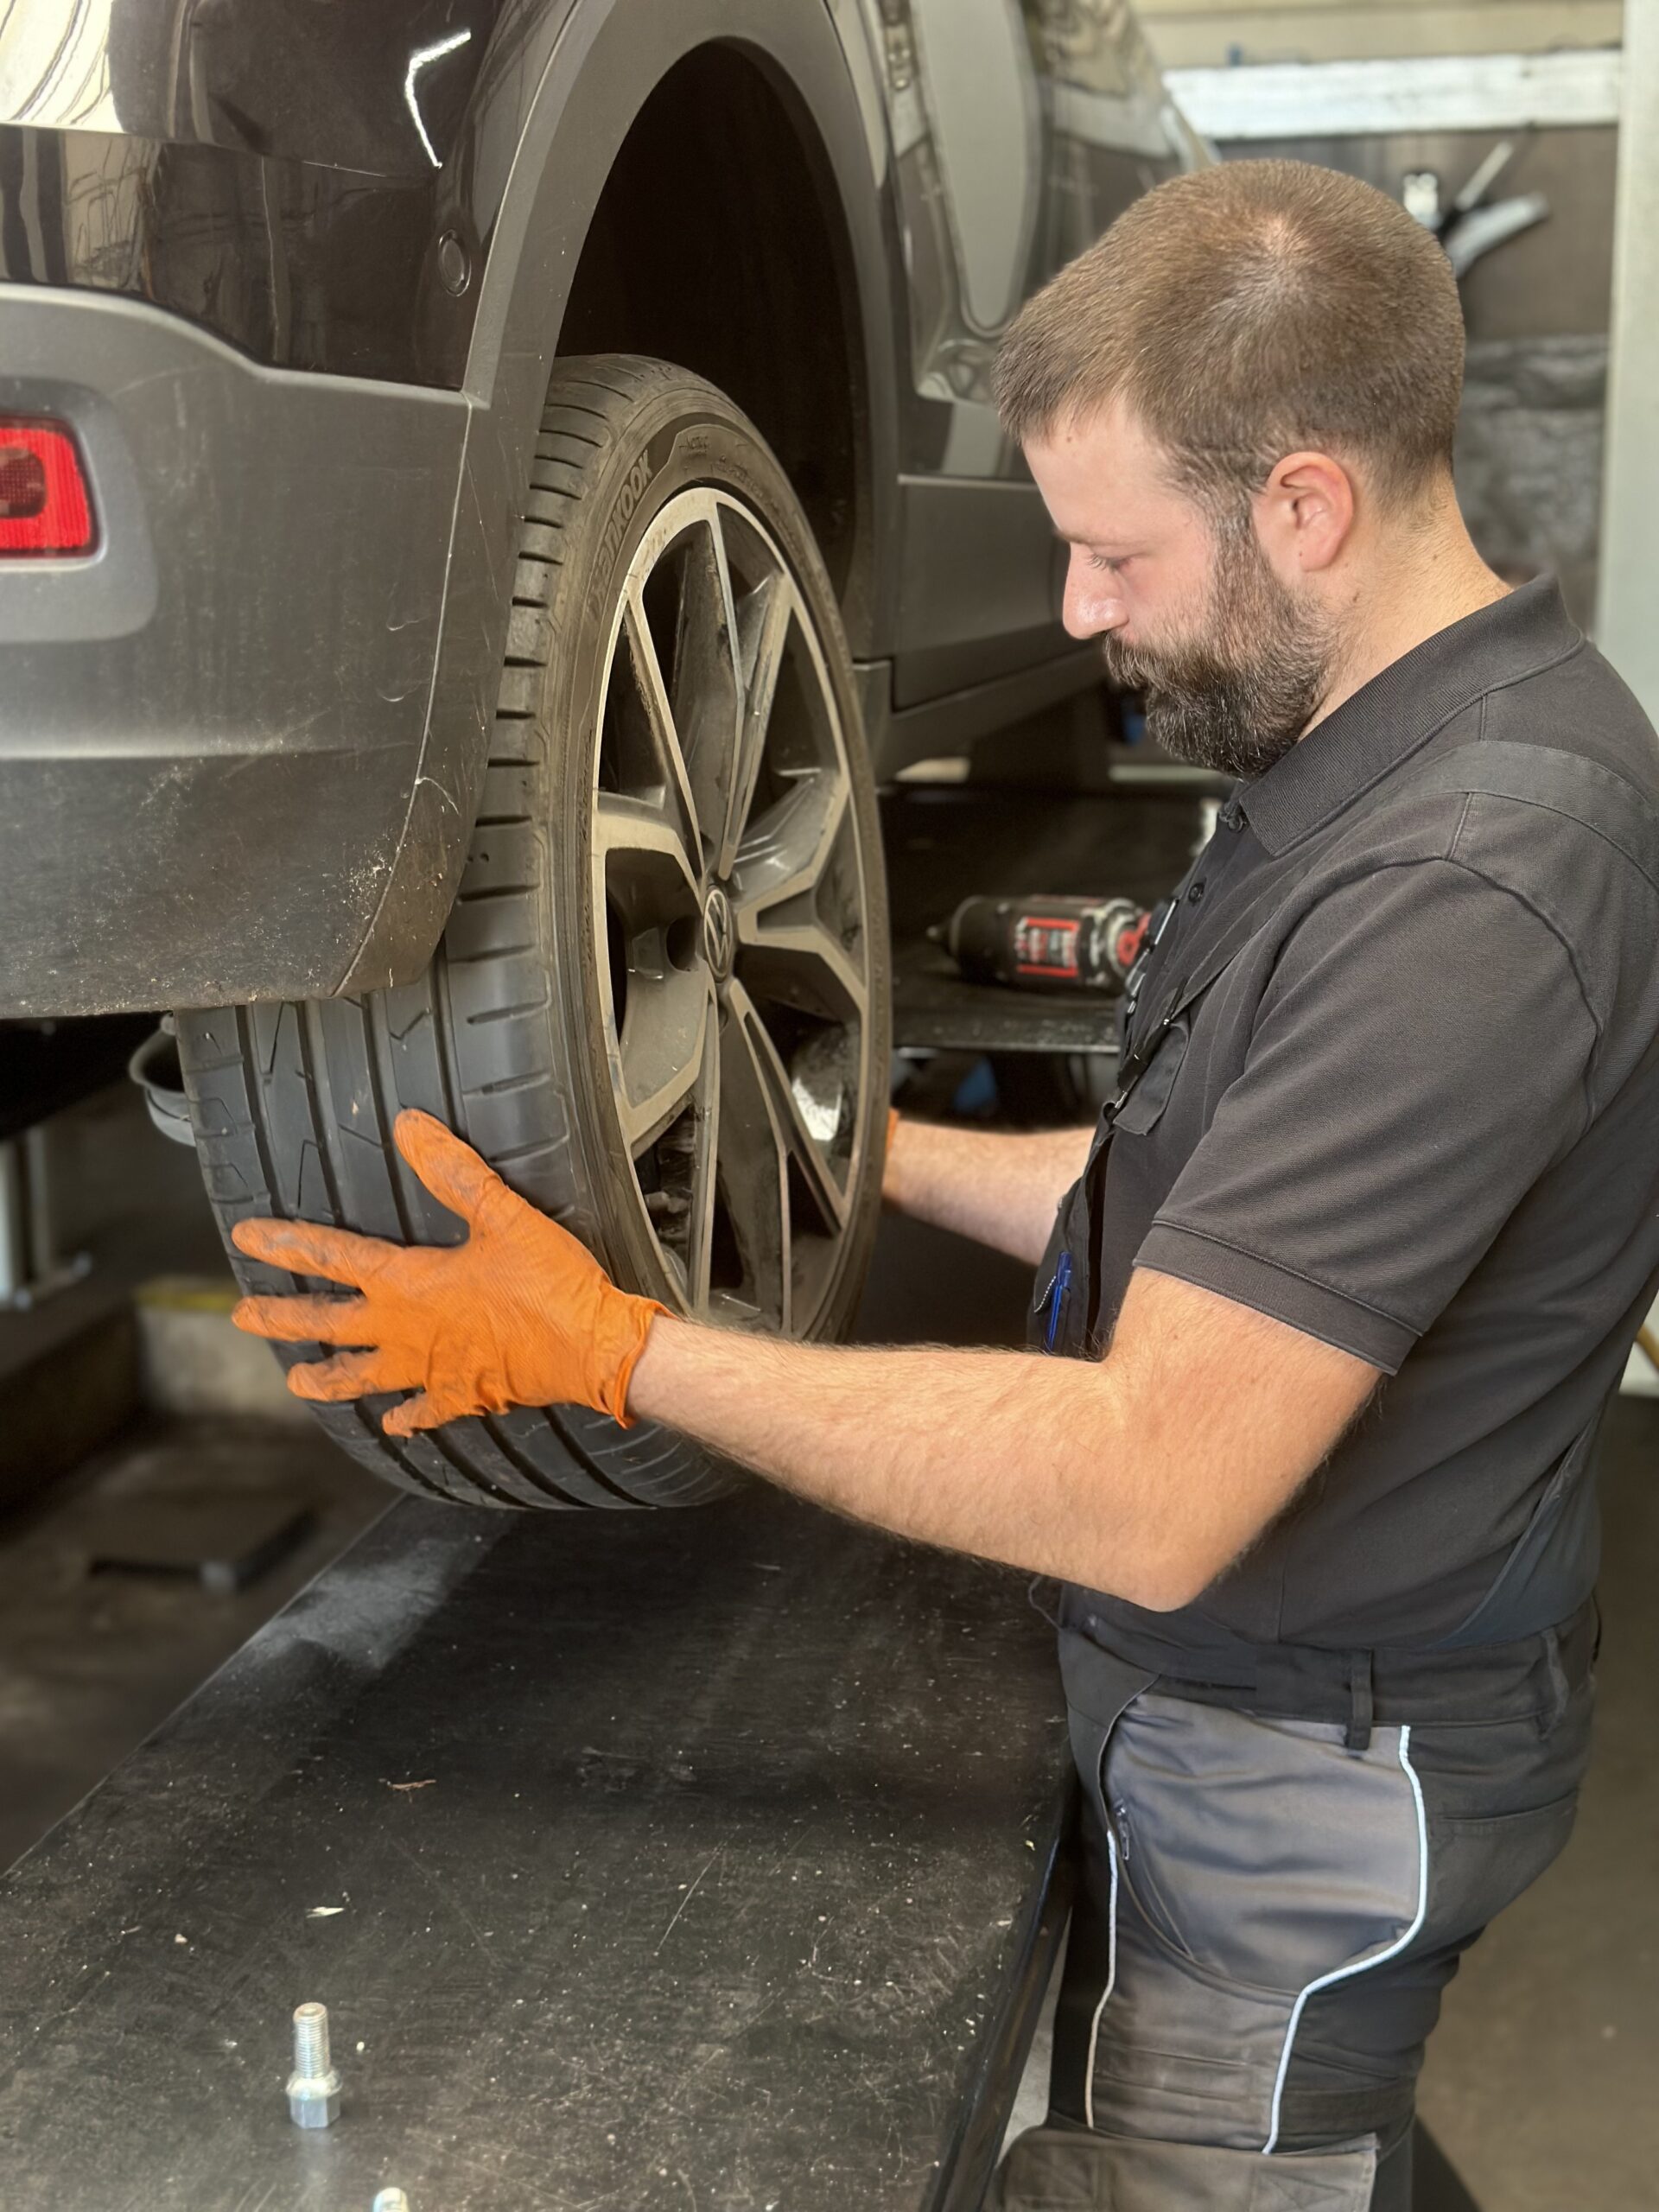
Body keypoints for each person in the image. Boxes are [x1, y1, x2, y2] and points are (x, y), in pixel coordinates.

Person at [232, 161, 1659, 2209]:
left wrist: (612, 1344)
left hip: (1305, 1778)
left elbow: (1153, 1478)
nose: (1077, 607)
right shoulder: (1387, 757)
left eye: (1107, 551)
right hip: (1270, 1711)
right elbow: (1206, 1198)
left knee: (1234, 2171)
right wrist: (831, 1136)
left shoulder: (1473, 885)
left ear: (1306, 508)